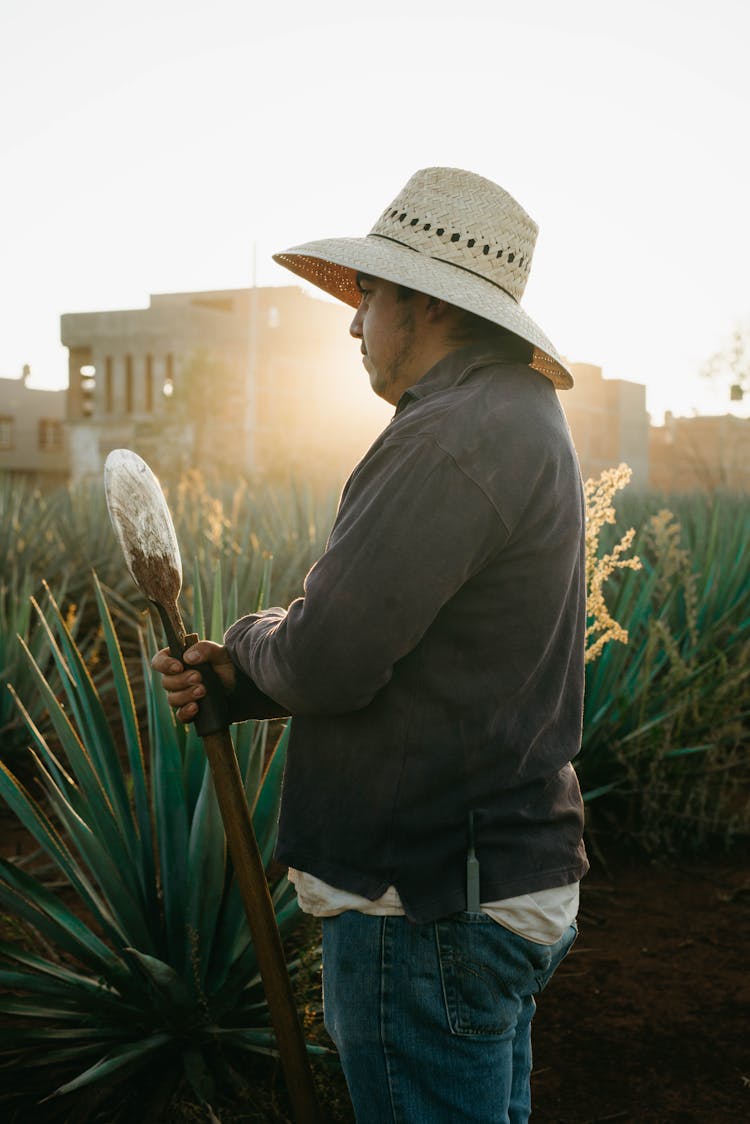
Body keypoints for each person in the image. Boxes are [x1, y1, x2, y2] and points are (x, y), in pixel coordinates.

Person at [153, 166, 589, 1124]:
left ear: (425, 302)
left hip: (428, 901)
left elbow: (327, 660)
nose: (353, 323)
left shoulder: (452, 435)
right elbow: (420, 655)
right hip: (486, 883)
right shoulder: (513, 416)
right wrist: (247, 682)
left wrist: (246, 644)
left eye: (370, 296)